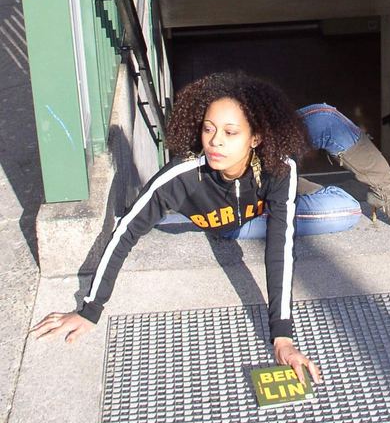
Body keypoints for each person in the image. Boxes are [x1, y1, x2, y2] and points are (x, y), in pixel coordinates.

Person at [30, 71, 366, 384]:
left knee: (347, 208)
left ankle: (306, 193)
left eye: (231, 132)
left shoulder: (280, 168)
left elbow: (281, 247)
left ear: (255, 138)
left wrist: (282, 336)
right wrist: (90, 309)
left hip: (267, 206)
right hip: (233, 226)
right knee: (344, 211)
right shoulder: (183, 175)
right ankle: (298, 197)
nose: (215, 142)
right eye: (209, 128)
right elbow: (127, 229)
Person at [297, 104, 390, 233]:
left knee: (324, 118)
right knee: (347, 210)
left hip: (275, 161)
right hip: (275, 202)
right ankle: (289, 188)